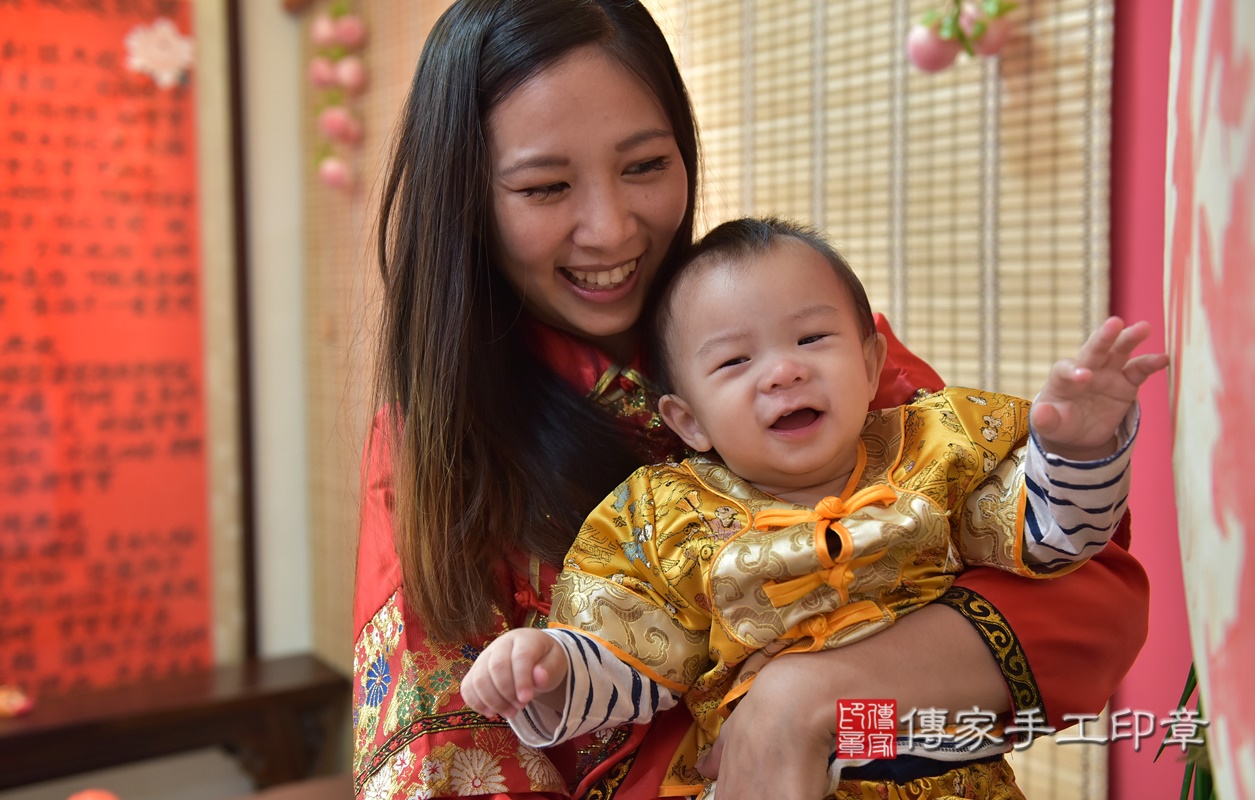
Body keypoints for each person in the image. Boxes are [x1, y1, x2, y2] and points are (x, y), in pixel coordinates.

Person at [352, 2, 1151, 799]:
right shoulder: (432, 449)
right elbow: (446, 763)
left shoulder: (816, 348)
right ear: (466, 202)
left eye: (644, 166)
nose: (610, 228)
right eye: (545, 187)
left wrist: (803, 698)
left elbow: (1083, 598)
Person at [460, 218, 1165, 798]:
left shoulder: (934, 448)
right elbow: (633, 656)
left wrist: (1077, 449)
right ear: (687, 421)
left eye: (810, 339)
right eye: (733, 363)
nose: (783, 370)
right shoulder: (665, 515)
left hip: (943, 771)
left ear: (869, 362)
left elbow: (1051, 541)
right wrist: (547, 664)